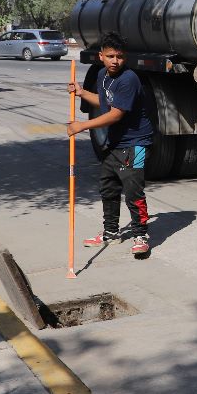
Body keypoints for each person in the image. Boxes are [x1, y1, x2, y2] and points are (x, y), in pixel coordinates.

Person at [67, 32, 155, 257]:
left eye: (120, 56)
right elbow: (106, 102)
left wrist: (81, 126)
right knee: (108, 188)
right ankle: (111, 233)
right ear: (101, 56)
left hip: (135, 144)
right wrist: (83, 92)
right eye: (110, 56)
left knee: (134, 190)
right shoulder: (103, 76)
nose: (115, 61)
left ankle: (140, 235)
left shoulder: (129, 79)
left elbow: (115, 115)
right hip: (114, 142)